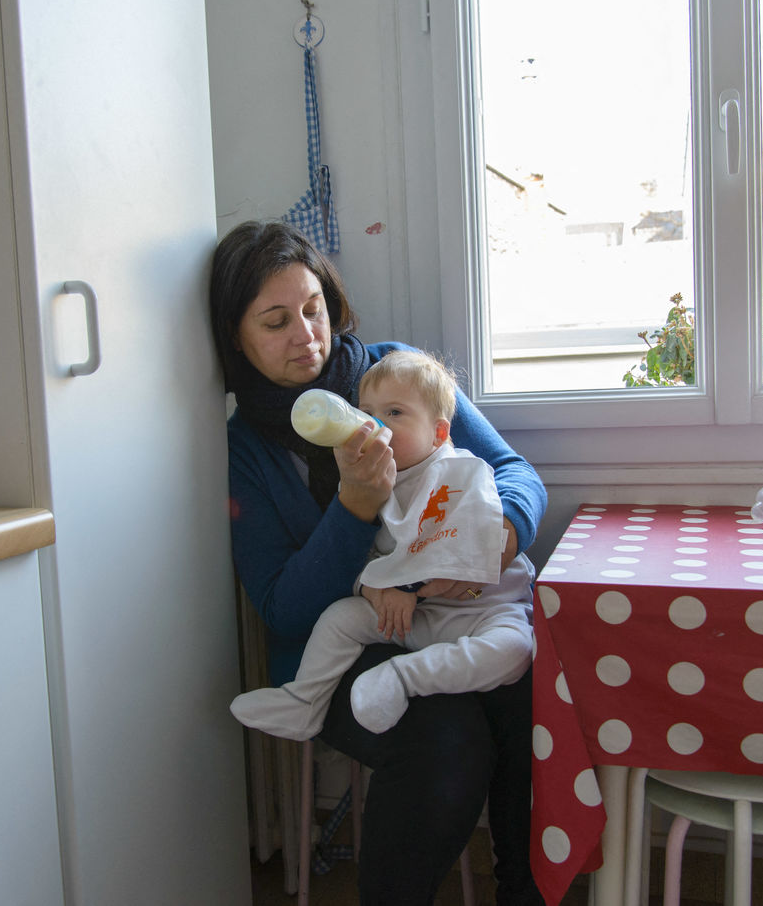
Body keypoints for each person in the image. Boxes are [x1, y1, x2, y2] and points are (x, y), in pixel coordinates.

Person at [210, 219, 547, 906]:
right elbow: (283, 610)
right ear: (235, 338)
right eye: (275, 322)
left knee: (527, 694)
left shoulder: (394, 376)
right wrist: (354, 507)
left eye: (313, 309)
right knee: (445, 742)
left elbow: (514, 472)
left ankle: (524, 891)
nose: (306, 335)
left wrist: (496, 541)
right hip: (335, 649)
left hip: (454, 610)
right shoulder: (246, 447)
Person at [230, 349, 535, 739]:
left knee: (514, 651)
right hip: (418, 617)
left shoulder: (460, 472)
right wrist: (372, 587)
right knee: (341, 618)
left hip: (482, 611)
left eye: (394, 413)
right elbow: (364, 555)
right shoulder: (372, 478)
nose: (375, 424)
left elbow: (460, 543)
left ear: (439, 433)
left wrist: (406, 586)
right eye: (367, 411)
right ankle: (303, 701)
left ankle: (403, 676)